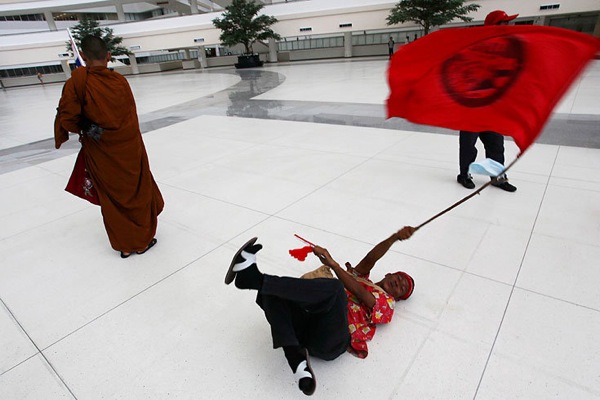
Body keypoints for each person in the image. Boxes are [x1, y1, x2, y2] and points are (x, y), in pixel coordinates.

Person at [225, 226, 416, 396]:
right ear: (389, 274)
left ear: (397, 298)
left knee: (335, 289)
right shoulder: (361, 278)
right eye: (399, 278)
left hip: (332, 342)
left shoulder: (387, 304)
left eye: (401, 287)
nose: (398, 283)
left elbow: (361, 294)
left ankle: (254, 279)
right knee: (274, 294)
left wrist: (333, 264)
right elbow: (370, 258)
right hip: (310, 325)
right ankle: (296, 360)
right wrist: (394, 238)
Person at [54, 35, 164, 258]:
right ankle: (142, 241)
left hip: (101, 151)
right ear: (108, 56)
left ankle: (125, 246)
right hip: (130, 148)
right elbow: (130, 117)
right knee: (137, 191)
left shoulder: (77, 82)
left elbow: (68, 119)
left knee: (112, 198)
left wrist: (86, 125)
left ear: (83, 56)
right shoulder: (119, 82)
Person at [456, 10, 518, 193]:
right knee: (468, 145)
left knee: (496, 145)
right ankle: (464, 174)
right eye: (503, 23)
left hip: (492, 109)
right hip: (473, 108)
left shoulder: (506, 49)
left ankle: (498, 177)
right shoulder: (476, 48)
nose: (508, 27)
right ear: (493, 26)